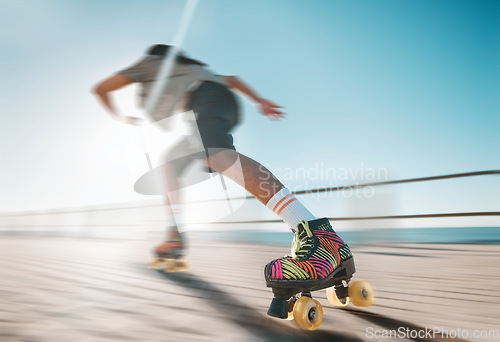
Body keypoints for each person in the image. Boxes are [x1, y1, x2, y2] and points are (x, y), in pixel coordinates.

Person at [92, 44, 354, 318]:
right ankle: (175, 233)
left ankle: (319, 235)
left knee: (217, 155)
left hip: (207, 100)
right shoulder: (192, 69)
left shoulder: (150, 62)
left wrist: (120, 116)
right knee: (170, 163)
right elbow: (232, 80)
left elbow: (101, 89)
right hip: (218, 104)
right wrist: (259, 101)